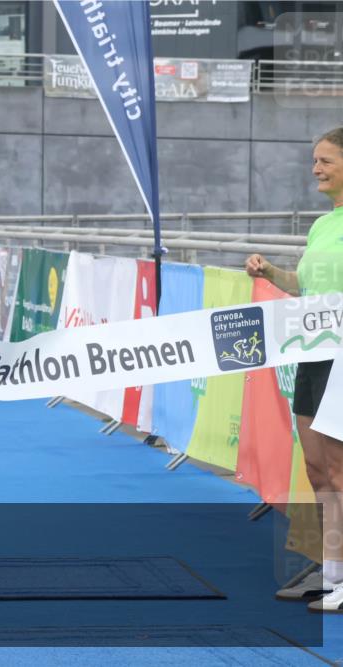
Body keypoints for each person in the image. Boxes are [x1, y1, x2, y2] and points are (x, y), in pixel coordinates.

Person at [247, 127, 343, 611]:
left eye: (325, 161)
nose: (315, 170)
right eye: (314, 161)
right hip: (313, 352)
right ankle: (333, 570)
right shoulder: (323, 225)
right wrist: (269, 273)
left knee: (340, 471)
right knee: (316, 468)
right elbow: (304, 285)